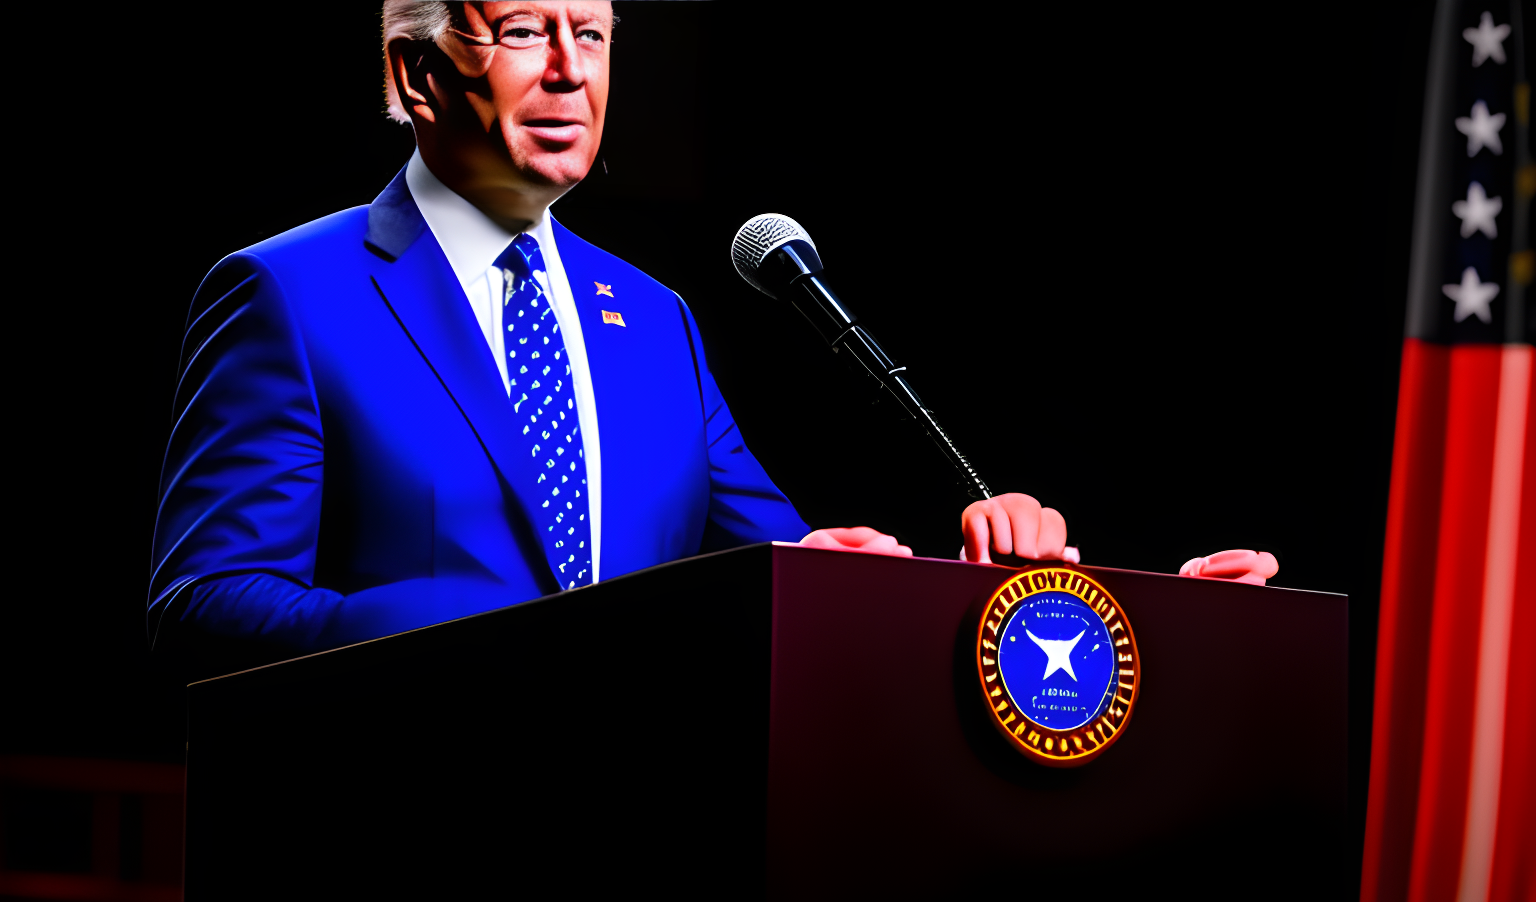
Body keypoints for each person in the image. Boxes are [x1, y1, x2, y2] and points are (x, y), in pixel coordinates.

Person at [147, 1, 1272, 667]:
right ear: (417, 72)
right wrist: (486, 637)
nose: (571, 71)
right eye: (528, 32)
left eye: (592, 34)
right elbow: (206, 606)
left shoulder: (653, 321)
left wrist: (1013, 594)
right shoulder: (291, 293)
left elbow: (786, 586)